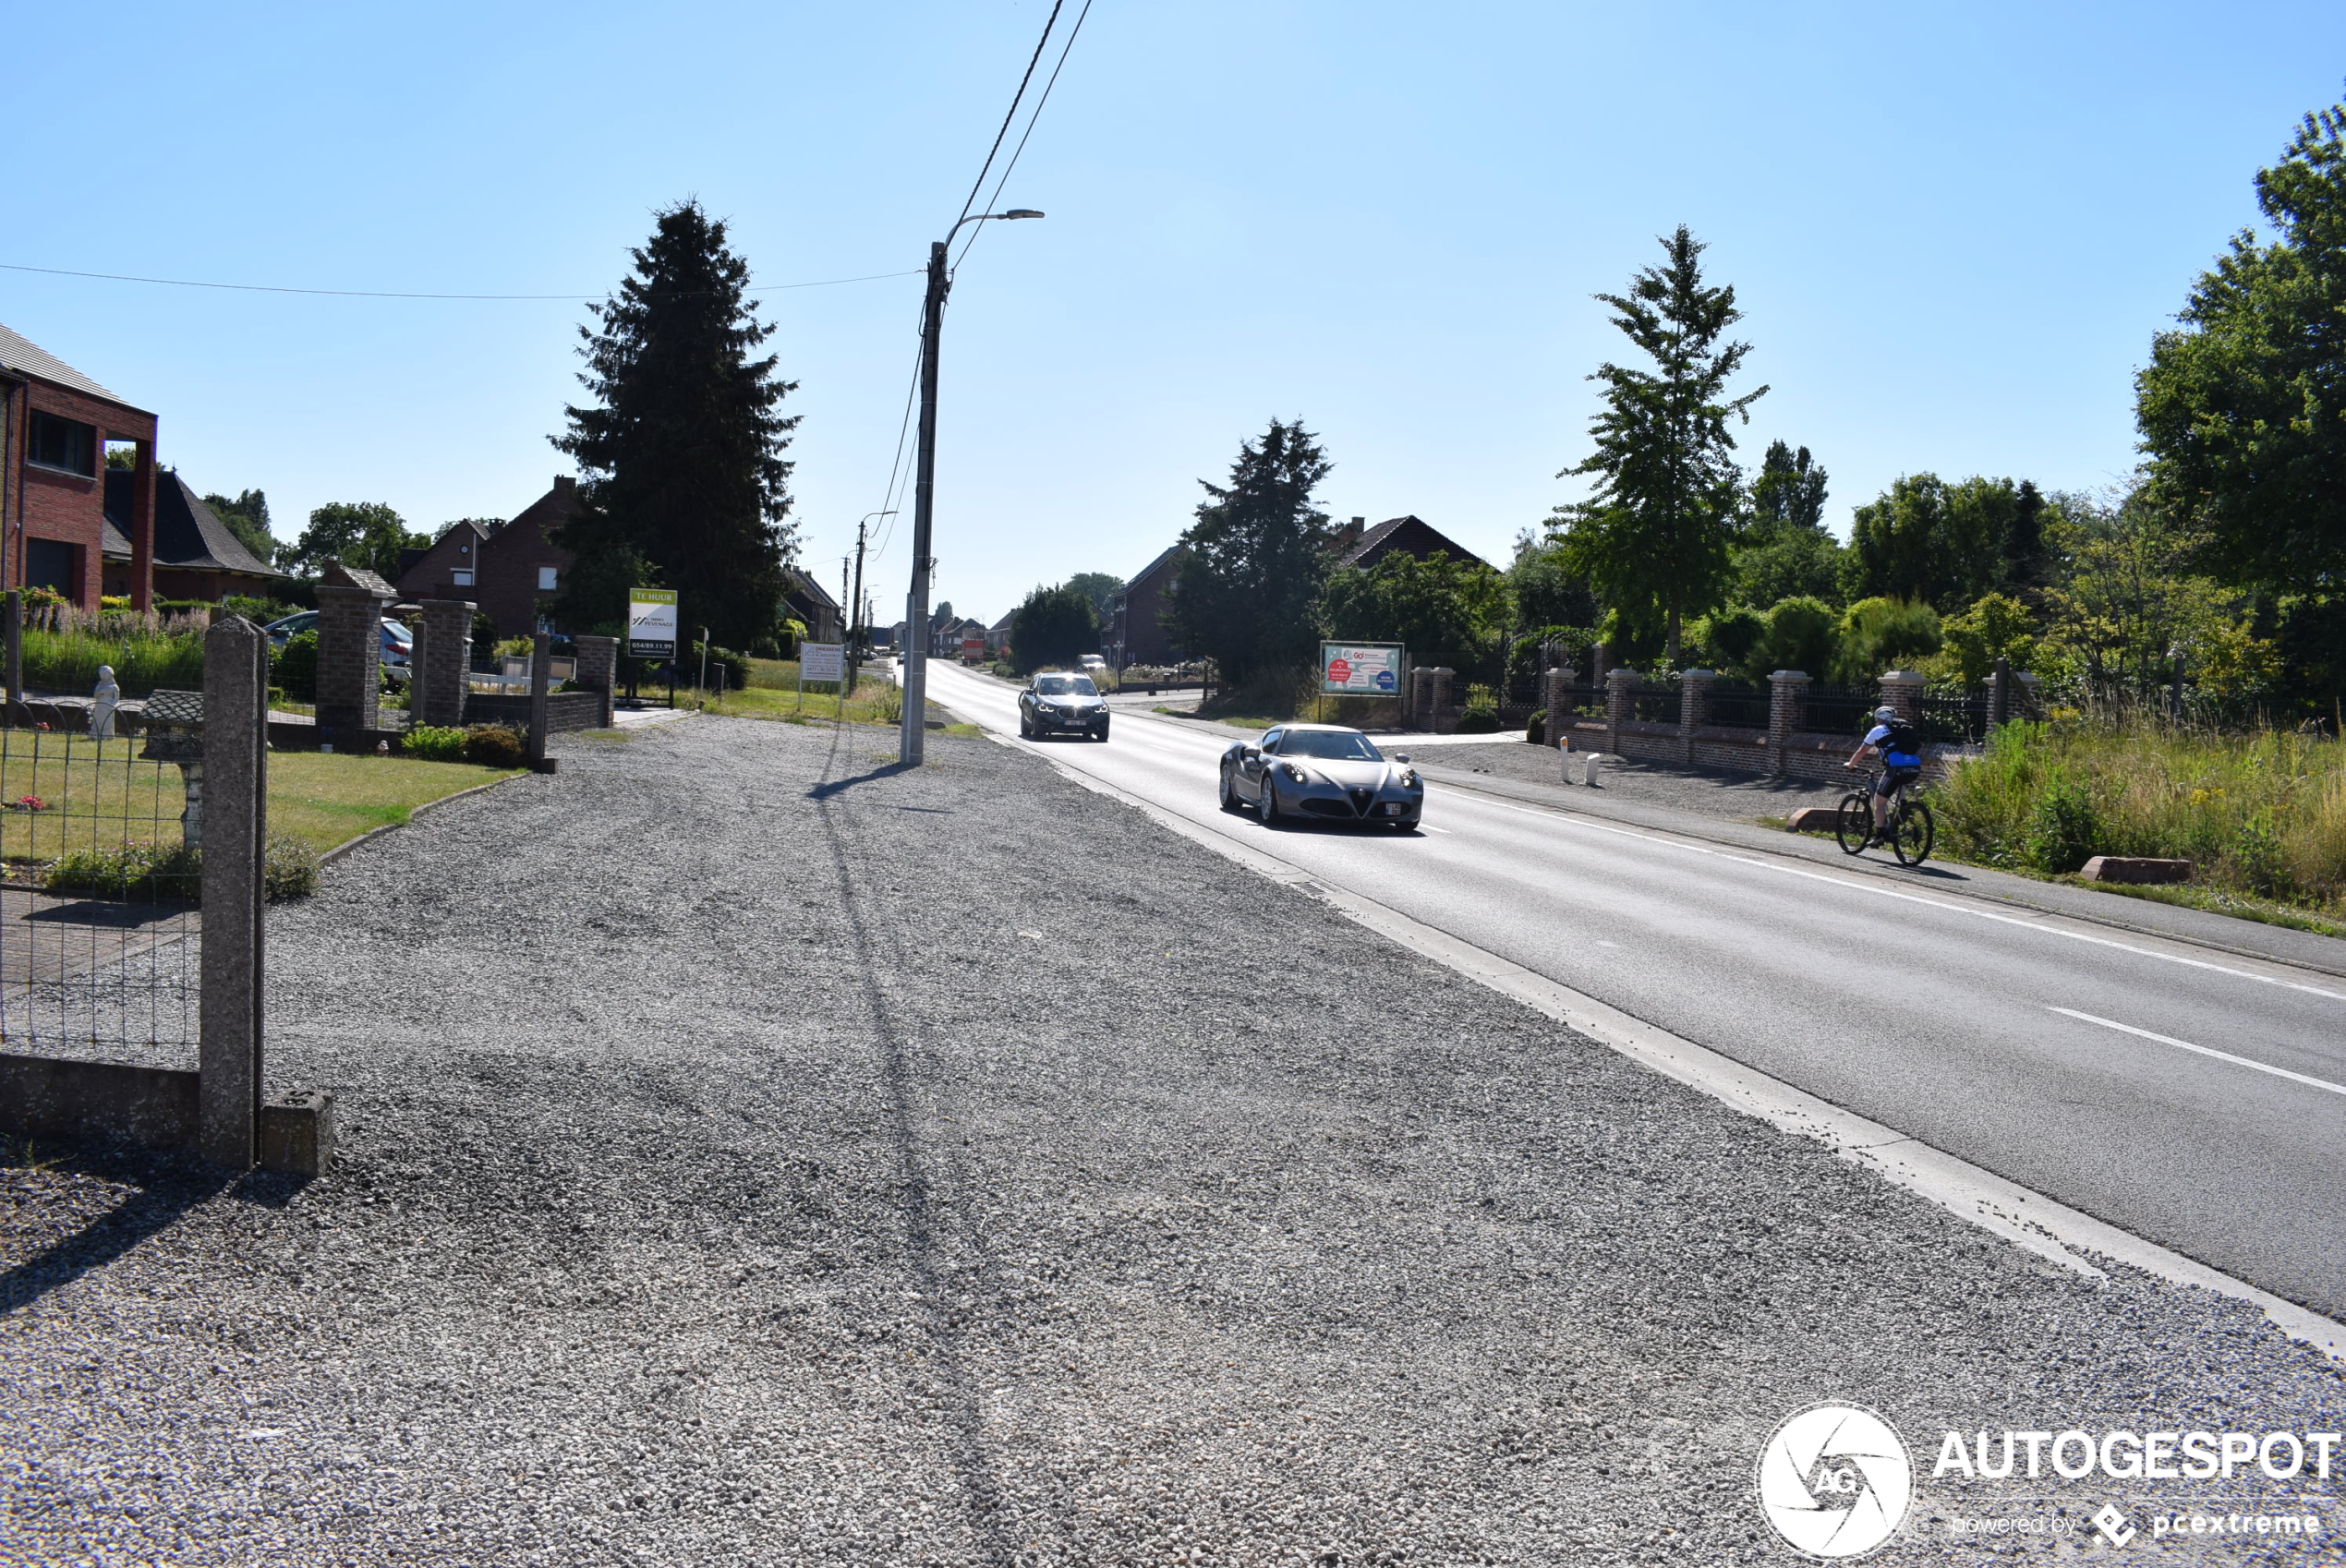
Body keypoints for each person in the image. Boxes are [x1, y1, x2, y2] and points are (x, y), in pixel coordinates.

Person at [1846, 704, 1922, 843]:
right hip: (1915, 767)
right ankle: (1904, 809)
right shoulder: (1903, 730)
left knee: (1879, 802)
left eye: (1876, 719)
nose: (1876, 722)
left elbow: (1862, 751)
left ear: (1880, 719)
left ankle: (1880, 835)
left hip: (1895, 769)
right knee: (1899, 784)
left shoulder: (1878, 730)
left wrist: (1850, 765)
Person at [91, 664, 120, 744]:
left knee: (107, 720)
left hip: (108, 705)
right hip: (99, 704)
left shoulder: (114, 687)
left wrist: (112, 705)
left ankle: (106, 735)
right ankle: (95, 733)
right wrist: (100, 692)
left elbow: (116, 698)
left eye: (104, 674)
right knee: (98, 718)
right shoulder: (100, 685)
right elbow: (95, 695)